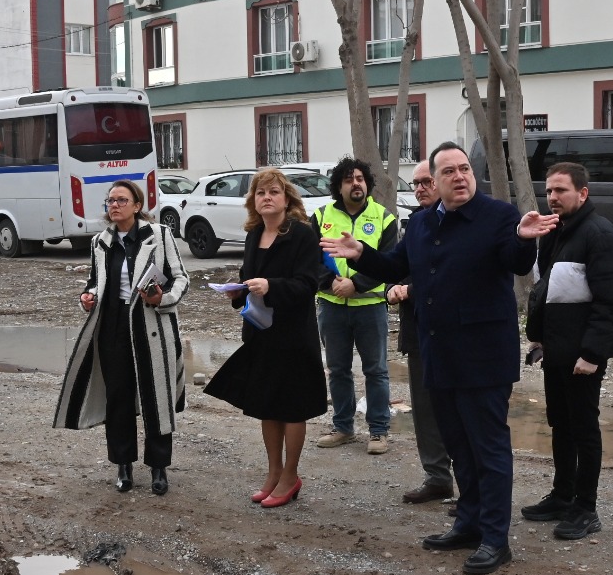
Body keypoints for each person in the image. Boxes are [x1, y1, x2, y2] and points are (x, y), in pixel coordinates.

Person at [323, 142, 557, 575]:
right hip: (439, 353)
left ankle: (494, 538)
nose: (459, 176)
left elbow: (515, 260)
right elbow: (396, 265)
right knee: (459, 447)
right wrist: (361, 254)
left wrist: (525, 240)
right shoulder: (424, 222)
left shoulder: (499, 217)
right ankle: (468, 523)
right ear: (435, 180)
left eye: (464, 168)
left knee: (488, 449)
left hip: (483, 357)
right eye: (448, 171)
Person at [520, 162, 613, 540]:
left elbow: (611, 303)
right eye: (549, 191)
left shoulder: (600, 235)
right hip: (556, 349)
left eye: (561, 191)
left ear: (582, 193)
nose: (552, 197)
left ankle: (586, 507)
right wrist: (537, 338)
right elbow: (544, 292)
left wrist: (592, 354)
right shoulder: (556, 232)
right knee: (560, 424)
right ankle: (562, 495)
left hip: (581, 357)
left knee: (583, 428)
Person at [54, 179, 190, 496]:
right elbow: (93, 283)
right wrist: (87, 298)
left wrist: (163, 298)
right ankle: (123, 466)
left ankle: (158, 468)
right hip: (113, 327)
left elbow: (181, 278)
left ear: (137, 205)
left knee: (157, 399)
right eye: (110, 201)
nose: (114, 205)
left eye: (121, 200)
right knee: (119, 399)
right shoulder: (100, 242)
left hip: (151, 326)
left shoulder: (160, 236)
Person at [204, 169, 329, 508]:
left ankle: (291, 476)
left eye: (274, 192)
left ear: (287, 199)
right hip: (261, 333)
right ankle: (273, 473)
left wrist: (272, 286)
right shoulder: (253, 233)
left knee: (292, 407)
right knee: (266, 406)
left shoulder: (302, 234)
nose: (267, 197)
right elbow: (249, 277)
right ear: (253, 201)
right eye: (260, 193)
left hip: (293, 335)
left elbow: (308, 284)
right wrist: (238, 290)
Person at [313, 157, 398, 454]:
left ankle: (378, 431)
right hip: (331, 305)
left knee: (375, 370)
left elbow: (389, 261)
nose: (356, 183)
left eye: (360, 178)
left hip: (370, 305)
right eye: (349, 179)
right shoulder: (321, 215)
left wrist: (357, 284)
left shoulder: (384, 217)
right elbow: (311, 258)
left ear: (368, 184)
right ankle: (343, 427)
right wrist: (331, 283)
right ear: (339, 186)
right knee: (337, 369)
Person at [387, 160, 455, 504]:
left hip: (456, 334)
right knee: (425, 408)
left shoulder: (462, 222)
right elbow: (398, 265)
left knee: (458, 411)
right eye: (415, 184)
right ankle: (437, 476)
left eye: (426, 182)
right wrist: (391, 289)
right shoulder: (415, 224)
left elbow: (452, 276)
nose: (419, 189)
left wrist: (411, 289)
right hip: (418, 330)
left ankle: (471, 487)